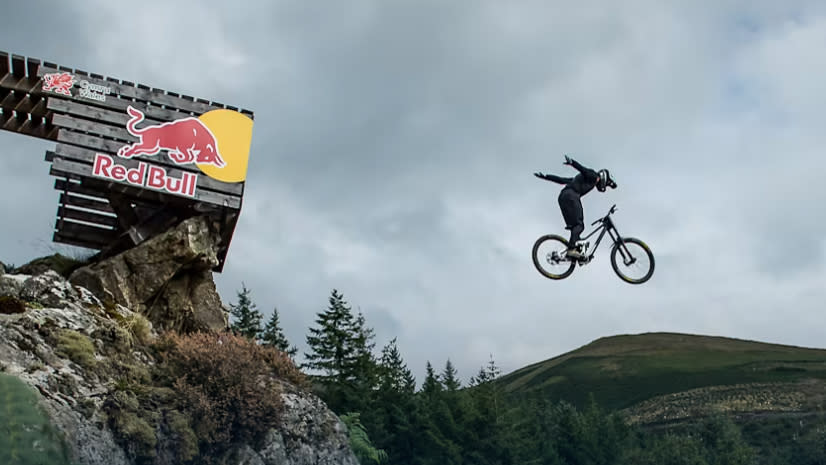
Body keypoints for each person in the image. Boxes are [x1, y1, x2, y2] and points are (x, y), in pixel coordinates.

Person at [534, 155, 617, 259]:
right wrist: (572, 163)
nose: (605, 186)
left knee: (575, 228)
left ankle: (575, 250)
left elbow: (562, 180)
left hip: (563, 197)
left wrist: (546, 176)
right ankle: (572, 249)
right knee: (579, 225)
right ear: (605, 178)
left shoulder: (582, 180)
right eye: (607, 184)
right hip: (571, 196)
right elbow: (583, 170)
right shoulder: (594, 176)